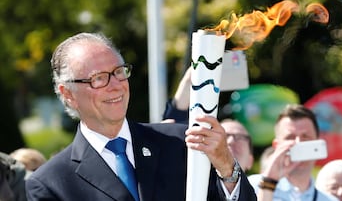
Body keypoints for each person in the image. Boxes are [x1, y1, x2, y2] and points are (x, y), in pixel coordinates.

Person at [25, 32, 256, 201]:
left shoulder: (182, 143)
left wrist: (226, 166)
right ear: (68, 94)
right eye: (98, 78)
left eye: (118, 72)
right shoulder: (50, 184)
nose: (115, 85)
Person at [162, 67, 254, 171]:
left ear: (250, 160)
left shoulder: (261, 186)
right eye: (224, 135)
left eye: (240, 137)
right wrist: (190, 80)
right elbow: (173, 129)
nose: (231, 141)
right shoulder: (188, 183)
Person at [248, 104, 338, 201]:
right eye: (290, 137)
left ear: (317, 142)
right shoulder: (251, 187)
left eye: (306, 137)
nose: (298, 143)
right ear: (276, 146)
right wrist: (268, 183)